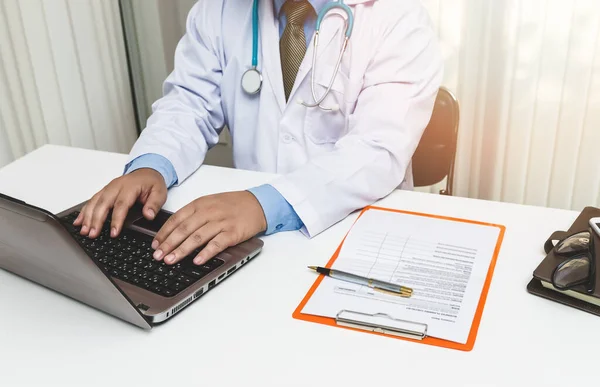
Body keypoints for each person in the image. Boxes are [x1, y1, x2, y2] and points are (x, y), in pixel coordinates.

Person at [73, 0, 443, 268]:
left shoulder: (399, 18)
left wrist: (263, 205)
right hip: (248, 245)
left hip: (358, 239)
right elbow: (189, 103)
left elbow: (377, 151)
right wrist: (152, 165)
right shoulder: (218, 10)